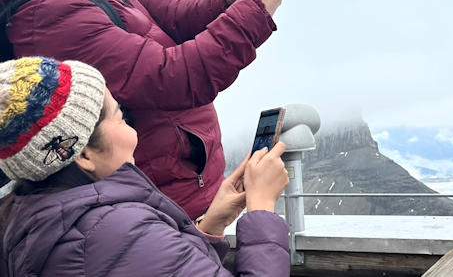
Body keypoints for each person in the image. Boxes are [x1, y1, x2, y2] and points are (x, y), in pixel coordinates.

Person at [0, 0, 285, 219]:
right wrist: (256, 12)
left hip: (182, 195)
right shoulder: (48, 15)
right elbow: (174, 77)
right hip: (153, 212)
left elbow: (171, 13)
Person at [0, 57, 290, 276]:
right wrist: (262, 208)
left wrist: (211, 225)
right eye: (120, 117)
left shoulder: (33, 217)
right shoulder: (113, 231)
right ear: (83, 154)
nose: (133, 131)